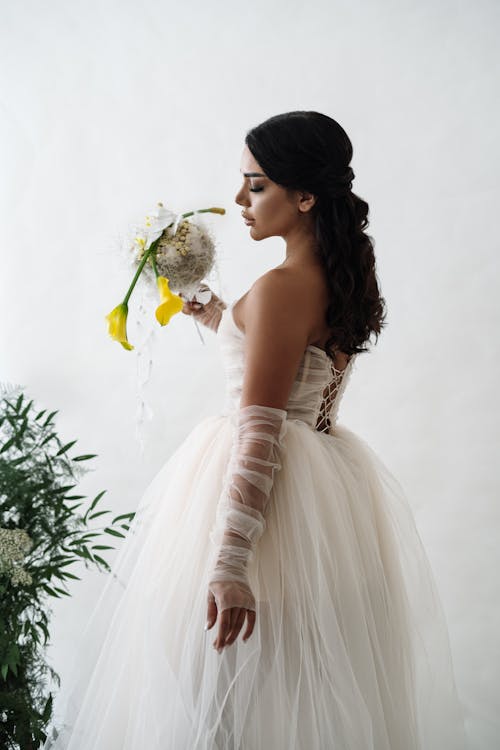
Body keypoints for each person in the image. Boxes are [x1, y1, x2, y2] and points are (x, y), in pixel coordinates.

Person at [43, 111, 468, 749]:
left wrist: (230, 563)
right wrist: (218, 317)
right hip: (327, 500)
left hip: (266, 503)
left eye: (257, 185)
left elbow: (262, 429)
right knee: (289, 693)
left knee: (223, 702)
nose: (240, 200)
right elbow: (296, 370)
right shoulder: (335, 275)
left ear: (304, 196)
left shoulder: (278, 287)